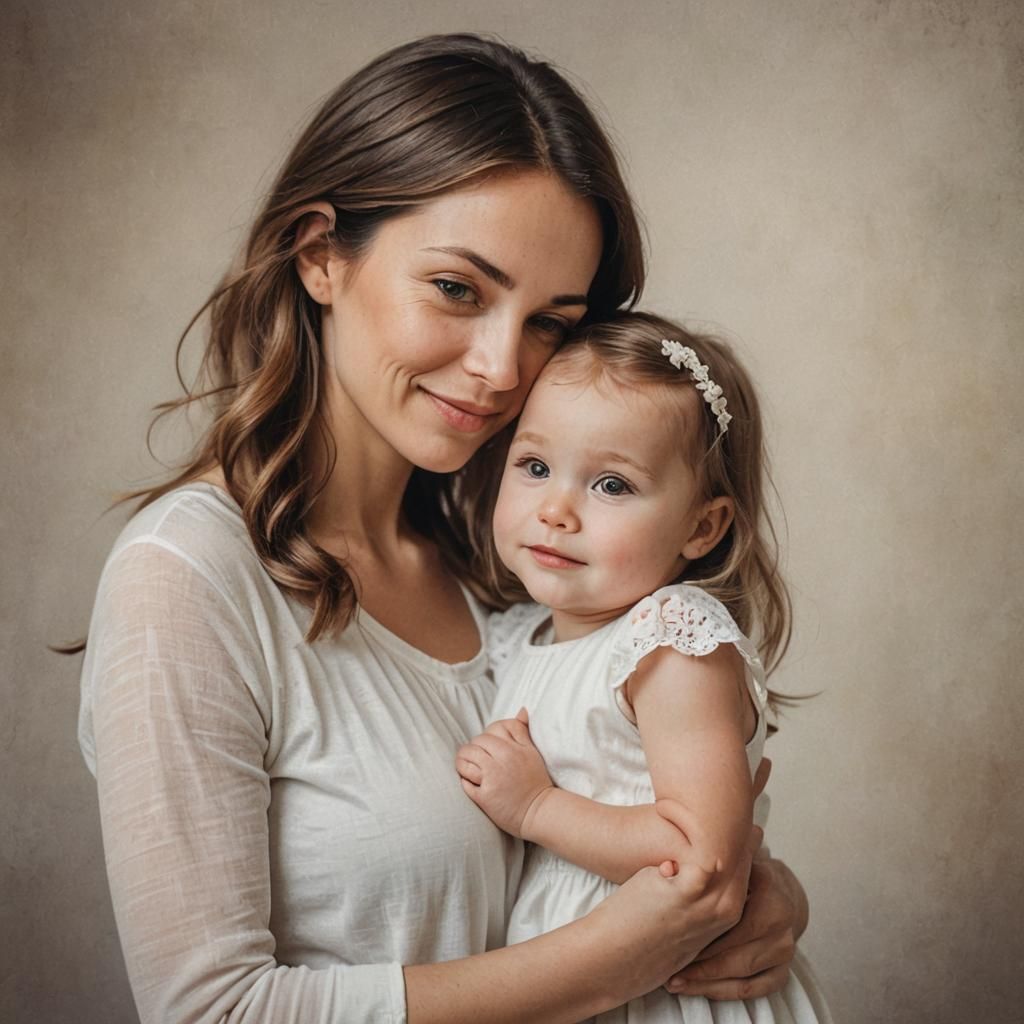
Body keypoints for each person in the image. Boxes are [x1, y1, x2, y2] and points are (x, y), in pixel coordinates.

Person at [74, 34, 810, 1023]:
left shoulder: (512, 564)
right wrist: (634, 946)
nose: (504, 367)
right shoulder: (189, 575)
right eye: (457, 289)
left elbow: (649, 828)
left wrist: (760, 901)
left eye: (552, 318)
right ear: (320, 253)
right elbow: (210, 1010)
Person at [457, 312, 833, 1022]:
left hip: (673, 991)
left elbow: (702, 855)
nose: (556, 510)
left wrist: (538, 806)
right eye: (534, 467)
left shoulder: (670, 639)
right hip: (574, 977)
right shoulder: (518, 638)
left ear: (702, 526)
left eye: (613, 486)